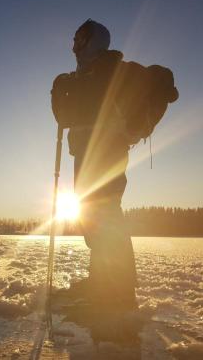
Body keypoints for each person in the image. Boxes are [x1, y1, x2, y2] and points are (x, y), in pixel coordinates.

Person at [51, 20, 137, 309]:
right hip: (85, 152)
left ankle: (118, 293)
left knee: (106, 215)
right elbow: (65, 118)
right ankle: (101, 282)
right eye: (74, 40)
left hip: (106, 152)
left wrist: (70, 87)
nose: (74, 46)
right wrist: (58, 92)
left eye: (80, 40)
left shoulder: (108, 71)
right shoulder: (82, 75)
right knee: (92, 219)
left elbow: (89, 107)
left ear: (94, 42)